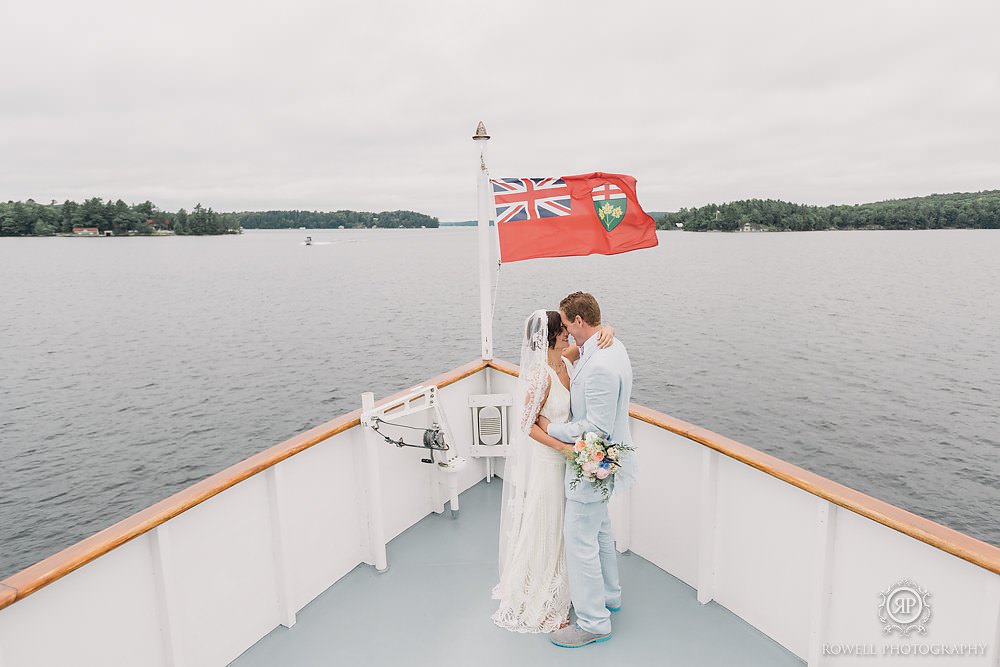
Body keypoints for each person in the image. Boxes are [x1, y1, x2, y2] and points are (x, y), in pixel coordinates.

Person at [492, 309, 614, 633]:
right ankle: (545, 594)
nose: (567, 334)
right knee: (549, 525)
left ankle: (565, 586)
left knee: (567, 531)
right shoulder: (542, 375)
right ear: (549, 337)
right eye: (561, 330)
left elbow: (589, 340)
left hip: (570, 462)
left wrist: (607, 329)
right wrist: (564, 449)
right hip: (551, 464)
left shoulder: (568, 360)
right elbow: (526, 425)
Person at [538, 291, 635, 649]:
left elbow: (594, 426)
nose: (565, 332)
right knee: (600, 532)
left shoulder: (598, 366)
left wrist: (551, 428)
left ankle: (594, 622)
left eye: (566, 325)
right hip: (607, 460)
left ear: (579, 322)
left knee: (580, 542)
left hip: (592, 462)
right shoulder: (612, 347)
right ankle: (610, 596)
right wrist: (605, 329)